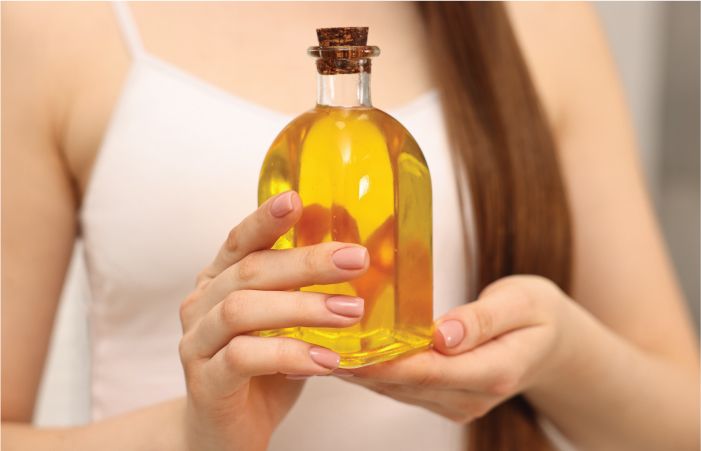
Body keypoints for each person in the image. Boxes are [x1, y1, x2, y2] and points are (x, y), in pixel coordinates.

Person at [2, 2, 698, 450]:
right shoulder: (54, 22)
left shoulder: (537, 20)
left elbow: (680, 425)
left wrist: (555, 352)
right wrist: (190, 436)